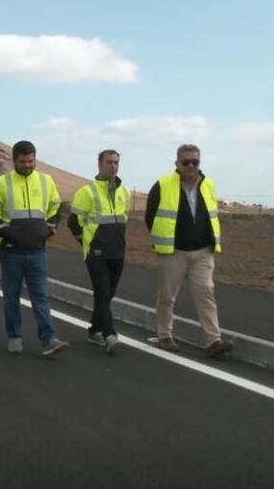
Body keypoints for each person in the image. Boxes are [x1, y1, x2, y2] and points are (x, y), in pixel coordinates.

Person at [146, 143, 231, 359]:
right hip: (173, 251)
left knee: (206, 293)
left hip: (203, 251)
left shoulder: (208, 184)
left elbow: (211, 214)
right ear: (177, 164)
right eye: (186, 162)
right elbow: (151, 216)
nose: (191, 166)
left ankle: (213, 340)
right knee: (167, 296)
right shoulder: (163, 184)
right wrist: (161, 239)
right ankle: (165, 335)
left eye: (195, 162)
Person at [0, 140, 69, 358]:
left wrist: (49, 230)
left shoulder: (46, 181)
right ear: (14, 160)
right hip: (10, 251)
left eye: (31, 161)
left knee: (41, 296)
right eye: (23, 161)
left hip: (37, 251)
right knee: (11, 297)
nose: (27, 165)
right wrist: (9, 233)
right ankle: (14, 336)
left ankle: (49, 339)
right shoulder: (3, 183)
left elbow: (56, 208)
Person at [68, 149, 129, 355]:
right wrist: (85, 241)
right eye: (109, 162)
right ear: (100, 165)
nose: (113, 166)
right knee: (102, 292)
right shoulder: (87, 192)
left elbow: (122, 220)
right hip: (96, 253)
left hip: (117, 252)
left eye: (116, 163)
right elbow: (73, 222)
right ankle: (109, 333)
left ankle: (94, 329)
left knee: (108, 294)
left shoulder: (124, 192)